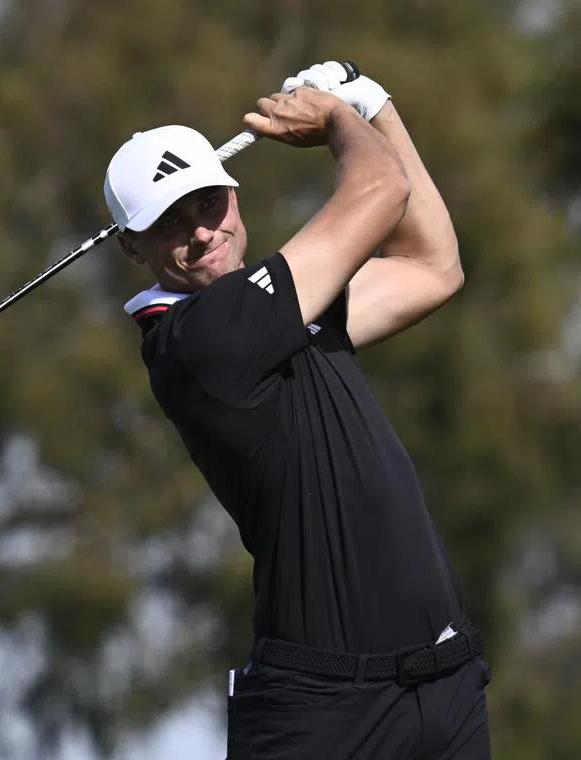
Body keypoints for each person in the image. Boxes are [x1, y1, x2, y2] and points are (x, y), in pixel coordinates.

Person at [103, 61, 491, 759]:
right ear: (131, 245)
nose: (202, 233)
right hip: (325, 710)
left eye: (208, 204)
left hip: (446, 684)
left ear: (234, 194)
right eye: (169, 224)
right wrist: (340, 118)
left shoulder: (286, 313)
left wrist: (377, 106)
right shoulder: (200, 338)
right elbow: (382, 188)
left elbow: (433, 267)